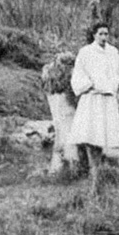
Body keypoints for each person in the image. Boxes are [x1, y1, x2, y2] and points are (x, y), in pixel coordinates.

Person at [69, 22, 119, 181]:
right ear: (94, 35)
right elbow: (78, 75)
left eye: (106, 34)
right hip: (91, 98)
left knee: (103, 134)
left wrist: (115, 84)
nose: (103, 37)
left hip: (107, 99)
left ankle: (99, 172)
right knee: (90, 133)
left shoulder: (113, 52)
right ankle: (92, 169)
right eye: (100, 34)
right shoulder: (86, 52)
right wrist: (90, 84)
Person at [40, 47, 80, 175]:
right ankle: (72, 171)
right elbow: (73, 101)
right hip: (69, 114)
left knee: (59, 141)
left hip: (57, 115)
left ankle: (55, 170)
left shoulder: (49, 80)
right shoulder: (69, 81)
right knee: (70, 143)